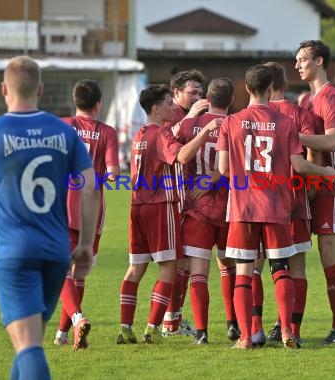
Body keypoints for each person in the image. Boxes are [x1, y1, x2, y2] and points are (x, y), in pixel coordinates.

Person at [0, 56, 99, 379]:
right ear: (39, 89)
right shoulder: (63, 133)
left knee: (29, 347)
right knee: (29, 341)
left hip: (13, 252)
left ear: (3, 89)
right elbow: (91, 186)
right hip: (55, 252)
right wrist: (84, 243)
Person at [216, 64, 335, 349]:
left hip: (242, 208)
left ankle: (246, 337)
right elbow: (298, 164)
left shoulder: (230, 123)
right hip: (276, 207)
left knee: (244, 273)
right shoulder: (285, 124)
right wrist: (325, 173)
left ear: (246, 88)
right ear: (271, 89)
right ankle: (287, 332)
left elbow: (223, 169)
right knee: (282, 270)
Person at [116, 84, 221, 344]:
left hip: (136, 206)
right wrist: (206, 130)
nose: (172, 106)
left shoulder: (139, 134)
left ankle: (124, 327)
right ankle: (152, 329)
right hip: (159, 207)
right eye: (167, 102)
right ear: (155, 109)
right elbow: (183, 157)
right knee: (168, 268)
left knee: (135, 269)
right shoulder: (160, 134)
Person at [53, 79, 120, 349]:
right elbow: (114, 175)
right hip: (92, 213)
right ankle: (62, 334)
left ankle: (78, 318)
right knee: (77, 273)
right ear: (98, 104)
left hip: (61, 208)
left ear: (75, 101)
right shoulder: (107, 132)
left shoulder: (61, 125)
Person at [174, 77, 238, 344]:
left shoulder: (189, 124)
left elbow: (171, 147)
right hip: (230, 206)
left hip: (197, 208)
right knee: (230, 268)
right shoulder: (238, 125)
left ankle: (201, 333)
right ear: (231, 101)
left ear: (206, 99)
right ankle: (233, 324)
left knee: (199, 272)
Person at [295, 40, 335, 344]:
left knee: (327, 253)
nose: (297, 65)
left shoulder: (332, 98)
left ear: (319, 61)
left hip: (330, 182)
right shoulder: (304, 99)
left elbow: (330, 142)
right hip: (307, 183)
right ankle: (287, 324)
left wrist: (290, 135)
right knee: (295, 251)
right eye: (296, 60)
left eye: (302, 59)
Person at [263, 61, 321, 348]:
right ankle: (292, 329)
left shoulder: (249, 116)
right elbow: (313, 155)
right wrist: (309, 191)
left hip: (258, 203)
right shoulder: (299, 114)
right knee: (297, 268)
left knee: (254, 268)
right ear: (284, 85)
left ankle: (254, 330)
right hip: (294, 200)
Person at [162, 69, 209, 336]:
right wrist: (192, 116)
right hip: (173, 197)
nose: (197, 97)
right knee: (178, 262)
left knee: (184, 262)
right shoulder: (172, 115)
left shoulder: (198, 116)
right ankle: (170, 321)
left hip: (190, 197)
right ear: (176, 92)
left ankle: (173, 320)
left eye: (200, 93)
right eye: (192, 93)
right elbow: (172, 144)